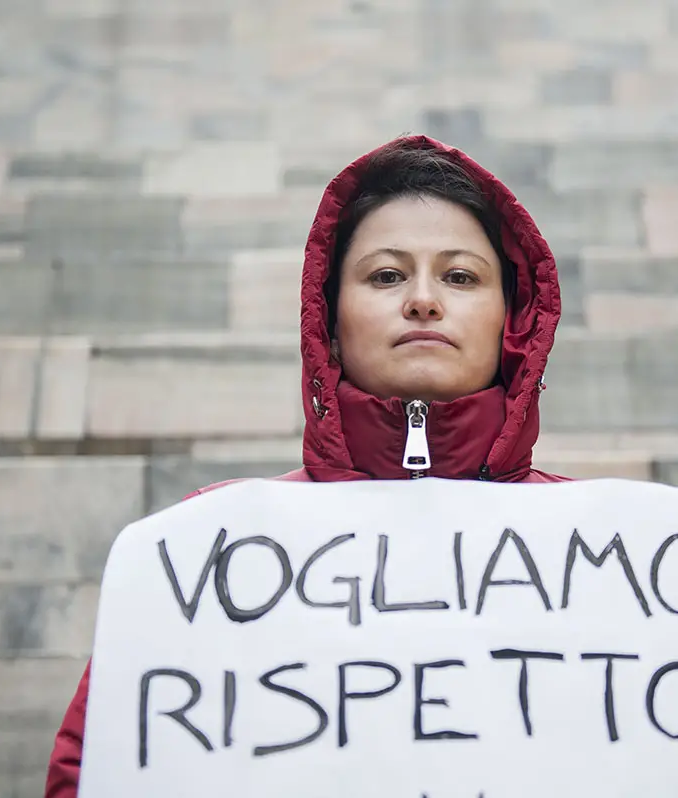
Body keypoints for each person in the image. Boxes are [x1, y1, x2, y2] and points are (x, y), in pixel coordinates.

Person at [44, 134, 568, 797]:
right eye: (386, 276)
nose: (423, 300)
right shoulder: (210, 550)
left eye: (460, 276)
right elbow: (98, 769)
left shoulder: (608, 550)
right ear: (330, 321)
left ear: (512, 320)